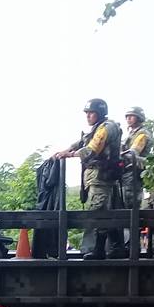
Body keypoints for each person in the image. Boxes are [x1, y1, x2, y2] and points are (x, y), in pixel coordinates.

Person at [54, 98, 126, 260]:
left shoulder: (107, 128)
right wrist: (66, 150)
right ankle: (115, 248)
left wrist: (70, 155)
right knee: (104, 212)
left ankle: (99, 250)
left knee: (97, 212)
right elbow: (83, 141)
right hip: (96, 177)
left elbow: (93, 148)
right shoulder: (97, 128)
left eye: (91, 112)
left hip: (102, 178)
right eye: (86, 113)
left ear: (99, 113)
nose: (88, 116)